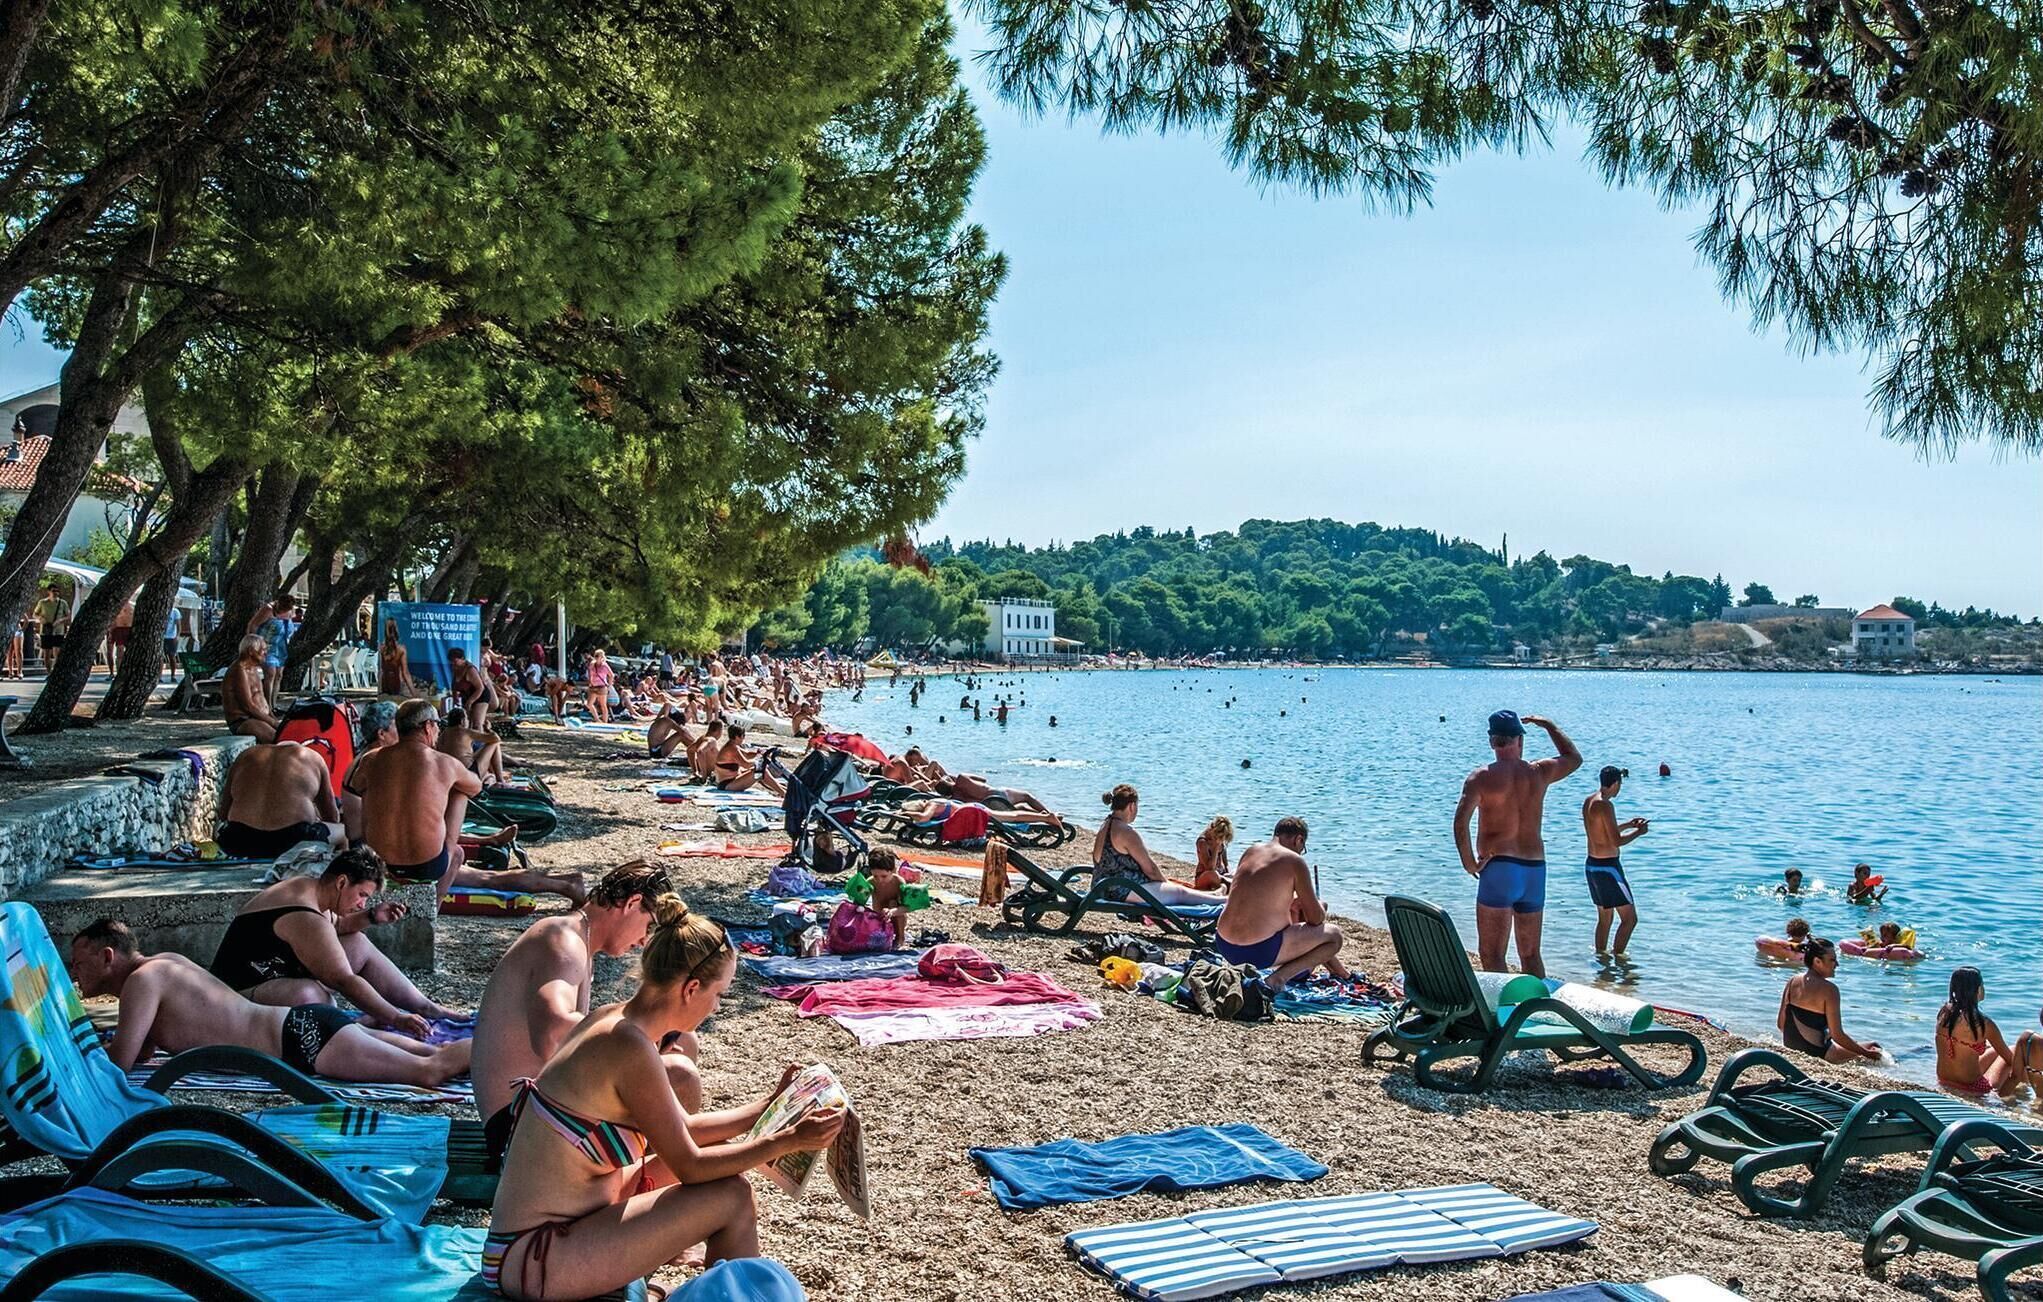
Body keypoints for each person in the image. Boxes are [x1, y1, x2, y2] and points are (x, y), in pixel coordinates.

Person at [482, 895, 845, 1300]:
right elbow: (689, 1164)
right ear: (691, 989)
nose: (717, 1005)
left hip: (550, 1235)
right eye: (719, 994)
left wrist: (769, 1106)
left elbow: (683, 1129)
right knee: (731, 1196)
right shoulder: (628, 1047)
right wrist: (784, 1142)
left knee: (727, 1175)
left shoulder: (614, 1021)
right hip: (533, 1257)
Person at [70, 918, 469, 1086]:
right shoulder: (165, 963)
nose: (74, 972)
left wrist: (73, 1056)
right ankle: (495, 1053)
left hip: (300, 1040)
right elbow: (140, 1051)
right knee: (438, 1052)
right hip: (304, 1027)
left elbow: (118, 1065)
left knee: (429, 1071)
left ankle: (517, 1053)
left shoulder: (142, 981)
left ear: (108, 956)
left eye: (79, 962)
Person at [471, 861, 677, 1167]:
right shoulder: (564, 941)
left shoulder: (575, 938)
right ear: (632, 903)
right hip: (518, 1132)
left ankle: (654, 1176)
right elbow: (552, 1030)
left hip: (528, 1117)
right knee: (678, 1075)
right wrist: (639, 1040)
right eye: (649, 926)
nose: (645, 941)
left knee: (678, 1053)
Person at [208, 846, 461, 1033]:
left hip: (274, 973)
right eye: (361, 895)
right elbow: (343, 980)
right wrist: (395, 1018)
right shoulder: (305, 914)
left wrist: (371, 915)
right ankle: (353, 1026)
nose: (362, 902)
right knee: (313, 996)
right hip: (236, 992)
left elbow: (337, 926)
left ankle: (426, 1006)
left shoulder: (312, 888)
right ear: (342, 882)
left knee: (357, 943)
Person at [1453, 710, 1581, 977]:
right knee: (1531, 954)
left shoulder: (1481, 777)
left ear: (1492, 741)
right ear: (1520, 740)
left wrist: (1468, 863)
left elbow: (1460, 823)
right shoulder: (1540, 772)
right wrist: (1549, 726)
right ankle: (1535, 1011)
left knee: (1492, 954)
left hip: (1500, 869)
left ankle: (1504, 1013)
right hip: (1534, 870)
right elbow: (1574, 758)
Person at [348, 699, 482, 889]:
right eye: (438, 725)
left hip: (377, 860)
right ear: (428, 726)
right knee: (461, 792)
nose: (438, 731)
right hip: (428, 866)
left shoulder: (372, 758)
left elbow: (357, 785)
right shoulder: (444, 762)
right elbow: (476, 787)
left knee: (370, 788)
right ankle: (435, 903)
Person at [1215, 817, 1348, 985]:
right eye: (1302, 847)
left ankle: (1341, 972)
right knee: (1334, 936)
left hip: (1225, 944)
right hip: (1256, 951)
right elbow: (1315, 918)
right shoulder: (1294, 861)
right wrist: (1320, 906)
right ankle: (1278, 978)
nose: (1301, 852)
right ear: (1298, 839)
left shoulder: (1252, 851)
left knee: (1293, 916)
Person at [1092, 785, 1226, 908]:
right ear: (1132, 806)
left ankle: (1213, 895)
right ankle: (1220, 900)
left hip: (1102, 886)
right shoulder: (1126, 832)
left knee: (1175, 888)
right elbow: (1150, 869)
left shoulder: (1106, 825)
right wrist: (1165, 883)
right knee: (1178, 892)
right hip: (1121, 890)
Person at [215, 740, 345, 858]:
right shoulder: (313, 758)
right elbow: (332, 817)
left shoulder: (245, 756)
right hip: (294, 842)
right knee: (344, 831)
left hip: (238, 841)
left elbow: (223, 813)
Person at [1934, 967, 2040, 1099]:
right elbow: (2009, 1059)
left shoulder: (1943, 1013)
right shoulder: (1983, 1023)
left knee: (1994, 1051)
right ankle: (2027, 1093)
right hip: (1973, 1088)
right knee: (2013, 1053)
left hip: (1944, 1080)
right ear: (1978, 990)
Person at [1580, 765, 1649, 957]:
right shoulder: (1606, 805)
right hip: (1608, 868)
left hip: (1592, 865)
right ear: (1616, 783)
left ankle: (1601, 959)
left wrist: (1628, 824)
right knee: (1630, 919)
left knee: (1605, 918)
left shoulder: (1590, 801)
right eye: (1620, 784)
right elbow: (1616, 841)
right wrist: (1638, 832)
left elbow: (1602, 831)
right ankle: (1619, 959)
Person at [1777, 937, 1881, 1064]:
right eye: (1832, 960)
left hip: (1791, 1047)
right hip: (1818, 1053)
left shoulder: (1792, 981)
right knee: (1873, 1047)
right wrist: (1866, 1053)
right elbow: (1837, 1035)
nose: (1837, 964)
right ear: (1817, 961)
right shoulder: (1829, 990)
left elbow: (1781, 1024)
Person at [223, 634, 280, 742]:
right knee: (276, 739)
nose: (266, 653)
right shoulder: (239, 670)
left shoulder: (253, 668)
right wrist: (273, 723)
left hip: (258, 717)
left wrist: (272, 717)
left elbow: (262, 699)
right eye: (263, 649)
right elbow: (248, 706)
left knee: (287, 735)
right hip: (243, 720)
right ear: (251, 651)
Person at [247, 592, 299, 708]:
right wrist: (252, 644)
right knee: (270, 674)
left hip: (280, 646)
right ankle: (267, 705)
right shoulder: (268, 610)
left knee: (279, 675)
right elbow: (253, 625)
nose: (283, 611)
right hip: (266, 646)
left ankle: (274, 704)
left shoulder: (291, 611)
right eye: (282, 609)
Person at [438, 705, 508, 785]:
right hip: (469, 774)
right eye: (467, 719)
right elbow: (496, 738)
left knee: (478, 754)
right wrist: (488, 729)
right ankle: (500, 780)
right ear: (462, 721)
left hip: (449, 774)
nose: (468, 721)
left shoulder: (442, 734)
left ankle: (490, 777)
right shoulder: (464, 732)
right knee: (494, 743)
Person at [865, 848, 910, 949]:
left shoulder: (899, 882)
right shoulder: (870, 882)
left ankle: (900, 938)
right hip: (878, 917)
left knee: (893, 903)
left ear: (893, 870)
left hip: (895, 916)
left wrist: (892, 911)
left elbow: (907, 907)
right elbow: (859, 903)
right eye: (875, 876)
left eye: (884, 876)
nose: (880, 880)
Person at [448, 646, 495, 732]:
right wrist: (455, 697)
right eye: (451, 661)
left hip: (480, 696)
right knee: (468, 723)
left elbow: (480, 688)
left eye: (455, 661)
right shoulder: (455, 668)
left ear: (462, 659)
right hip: (466, 695)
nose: (453, 664)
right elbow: (454, 683)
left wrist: (470, 701)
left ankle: (479, 743)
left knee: (477, 723)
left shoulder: (470, 670)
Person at [1192, 816, 1235, 893]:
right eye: (1218, 837)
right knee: (1212, 874)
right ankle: (1228, 886)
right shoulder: (1203, 842)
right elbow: (1209, 868)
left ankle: (1226, 885)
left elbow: (1226, 863)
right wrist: (1215, 848)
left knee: (1236, 871)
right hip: (1204, 876)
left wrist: (1228, 872)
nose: (1220, 839)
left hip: (1221, 874)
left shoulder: (1220, 841)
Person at [378, 617, 412, 696]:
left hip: (385, 683)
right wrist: (414, 694)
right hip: (397, 682)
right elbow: (405, 673)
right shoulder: (401, 649)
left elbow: (381, 670)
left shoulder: (382, 648)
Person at [584, 648, 614, 723]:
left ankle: (605, 721)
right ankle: (597, 719)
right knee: (589, 704)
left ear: (602, 657)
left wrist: (609, 685)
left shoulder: (605, 666)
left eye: (598, 656)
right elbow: (590, 673)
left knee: (603, 705)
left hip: (602, 687)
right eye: (595, 656)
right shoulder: (592, 664)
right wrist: (590, 682)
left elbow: (611, 675)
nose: (596, 657)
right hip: (593, 686)